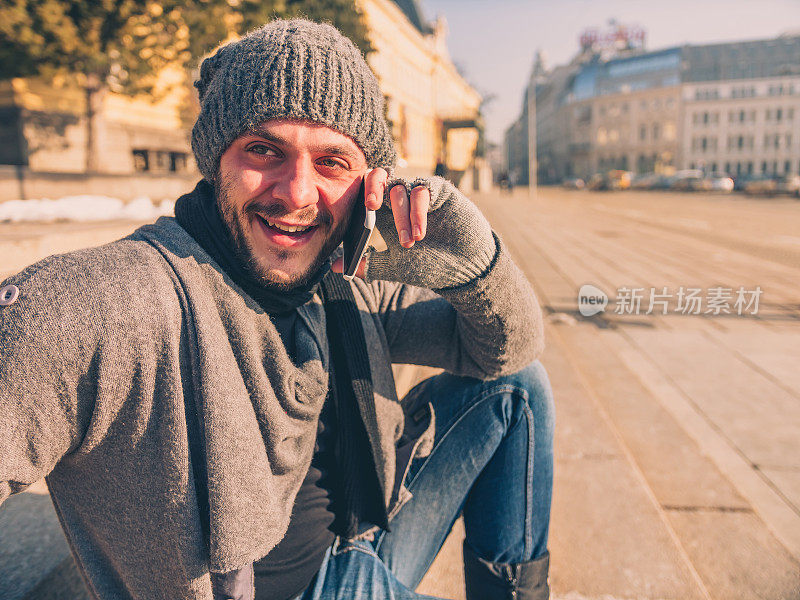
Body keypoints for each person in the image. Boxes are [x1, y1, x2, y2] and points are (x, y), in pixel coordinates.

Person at [0, 19, 554, 600]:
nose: (296, 192)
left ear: (369, 184)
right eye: (264, 150)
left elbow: (506, 349)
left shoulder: (339, 279)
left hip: (361, 538)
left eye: (332, 163)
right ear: (216, 160)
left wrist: (471, 261)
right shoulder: (111, 301)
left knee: (518, 387)